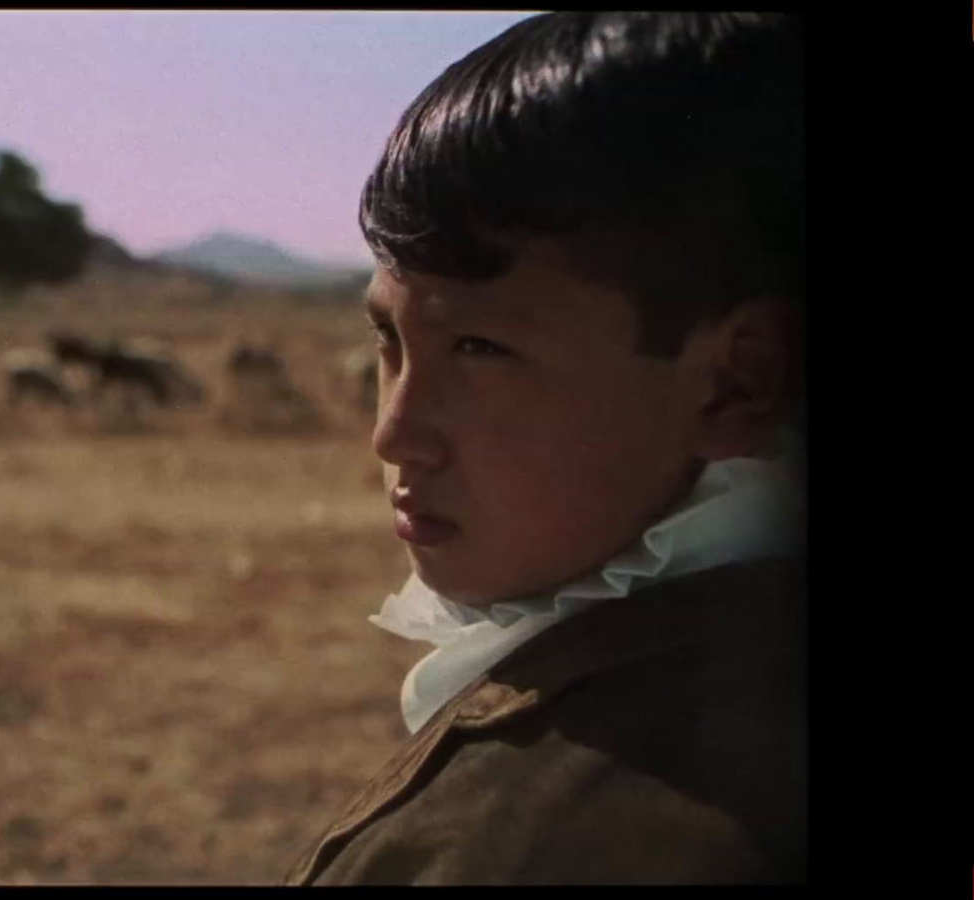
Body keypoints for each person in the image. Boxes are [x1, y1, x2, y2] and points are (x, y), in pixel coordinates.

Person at [283, 13, 805, 884]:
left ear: (735, 384)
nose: (392, 433)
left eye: (480, 349)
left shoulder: (564, 836)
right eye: (390, 341)